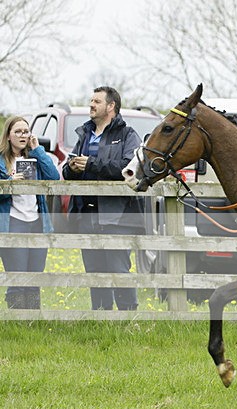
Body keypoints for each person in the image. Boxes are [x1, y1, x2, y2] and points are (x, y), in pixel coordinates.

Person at [63, 86, 144, 310]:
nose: (91, 104)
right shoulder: (84, 134)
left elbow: (129, 168)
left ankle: (128, 316)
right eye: (91, 100)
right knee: (93, 269)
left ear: (111, 106)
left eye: (96, 101)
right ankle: (99, 316)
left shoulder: (127, 134)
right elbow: (67, 173)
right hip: (85, 214)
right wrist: (72, 168)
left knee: (118, 268)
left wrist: (91, 164)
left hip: (117, 216)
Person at [0, 116, 61, 309]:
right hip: (13, 220)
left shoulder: (34, 157)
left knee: (34, 276)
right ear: (8, 136)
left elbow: (54, 177)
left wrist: (38, 149)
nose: (22, 135)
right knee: (17, 276)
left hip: (37, 221)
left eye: (25, 131)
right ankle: (17, 319)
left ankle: (33, 320)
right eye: (17, 131)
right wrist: (10, 184)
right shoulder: (1, 160)